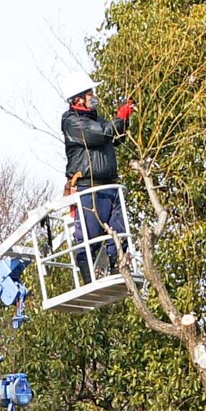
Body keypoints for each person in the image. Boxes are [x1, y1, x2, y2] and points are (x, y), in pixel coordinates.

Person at [60, 71, 135, 283]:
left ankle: (118, 268)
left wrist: (125, 119)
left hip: (109, 185)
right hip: (88, 187)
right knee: (89, 234)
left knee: (119, 231)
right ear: (78, 98)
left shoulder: (96, 121)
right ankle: (88, 278)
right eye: (90, 93)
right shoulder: (73, 122)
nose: (94, 96)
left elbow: (114, 137)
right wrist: (120, 117)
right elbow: (103, 133)